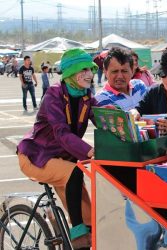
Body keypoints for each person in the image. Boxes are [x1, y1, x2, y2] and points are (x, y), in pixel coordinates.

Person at [16, 48, 99, 249]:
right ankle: (76, 232)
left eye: (91, 69)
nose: (89, 74)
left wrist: (124, 122)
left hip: (61, 159)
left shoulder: (86, 95)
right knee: (74, 173)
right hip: (35, 157)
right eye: (84, 69)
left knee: (93, 221)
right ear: (71, 73)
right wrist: (90, 151)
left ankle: (73, 228)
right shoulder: (54, 95)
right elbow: (61, 133)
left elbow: (102, 116)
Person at [95, 47, 148, 112]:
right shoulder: (102, 97)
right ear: (105, 72)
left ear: (132, 71)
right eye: (115, 71)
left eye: (124, 71)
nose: (120, 76)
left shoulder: (139, 85)